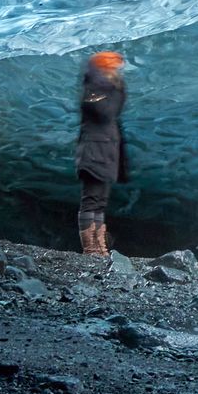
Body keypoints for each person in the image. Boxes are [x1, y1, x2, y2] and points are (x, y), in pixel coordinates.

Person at [74, 48, 128, 255]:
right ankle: (90, 247)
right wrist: (114, 87)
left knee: (100, 200)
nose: (118, 72)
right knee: (92, 199)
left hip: (106, 154)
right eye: (113, 68)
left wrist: (117, 88)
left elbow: (115, 111)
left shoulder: (106, 89)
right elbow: (106, 113)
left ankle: (99, 246)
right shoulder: (93, 91)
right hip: (94, 152)